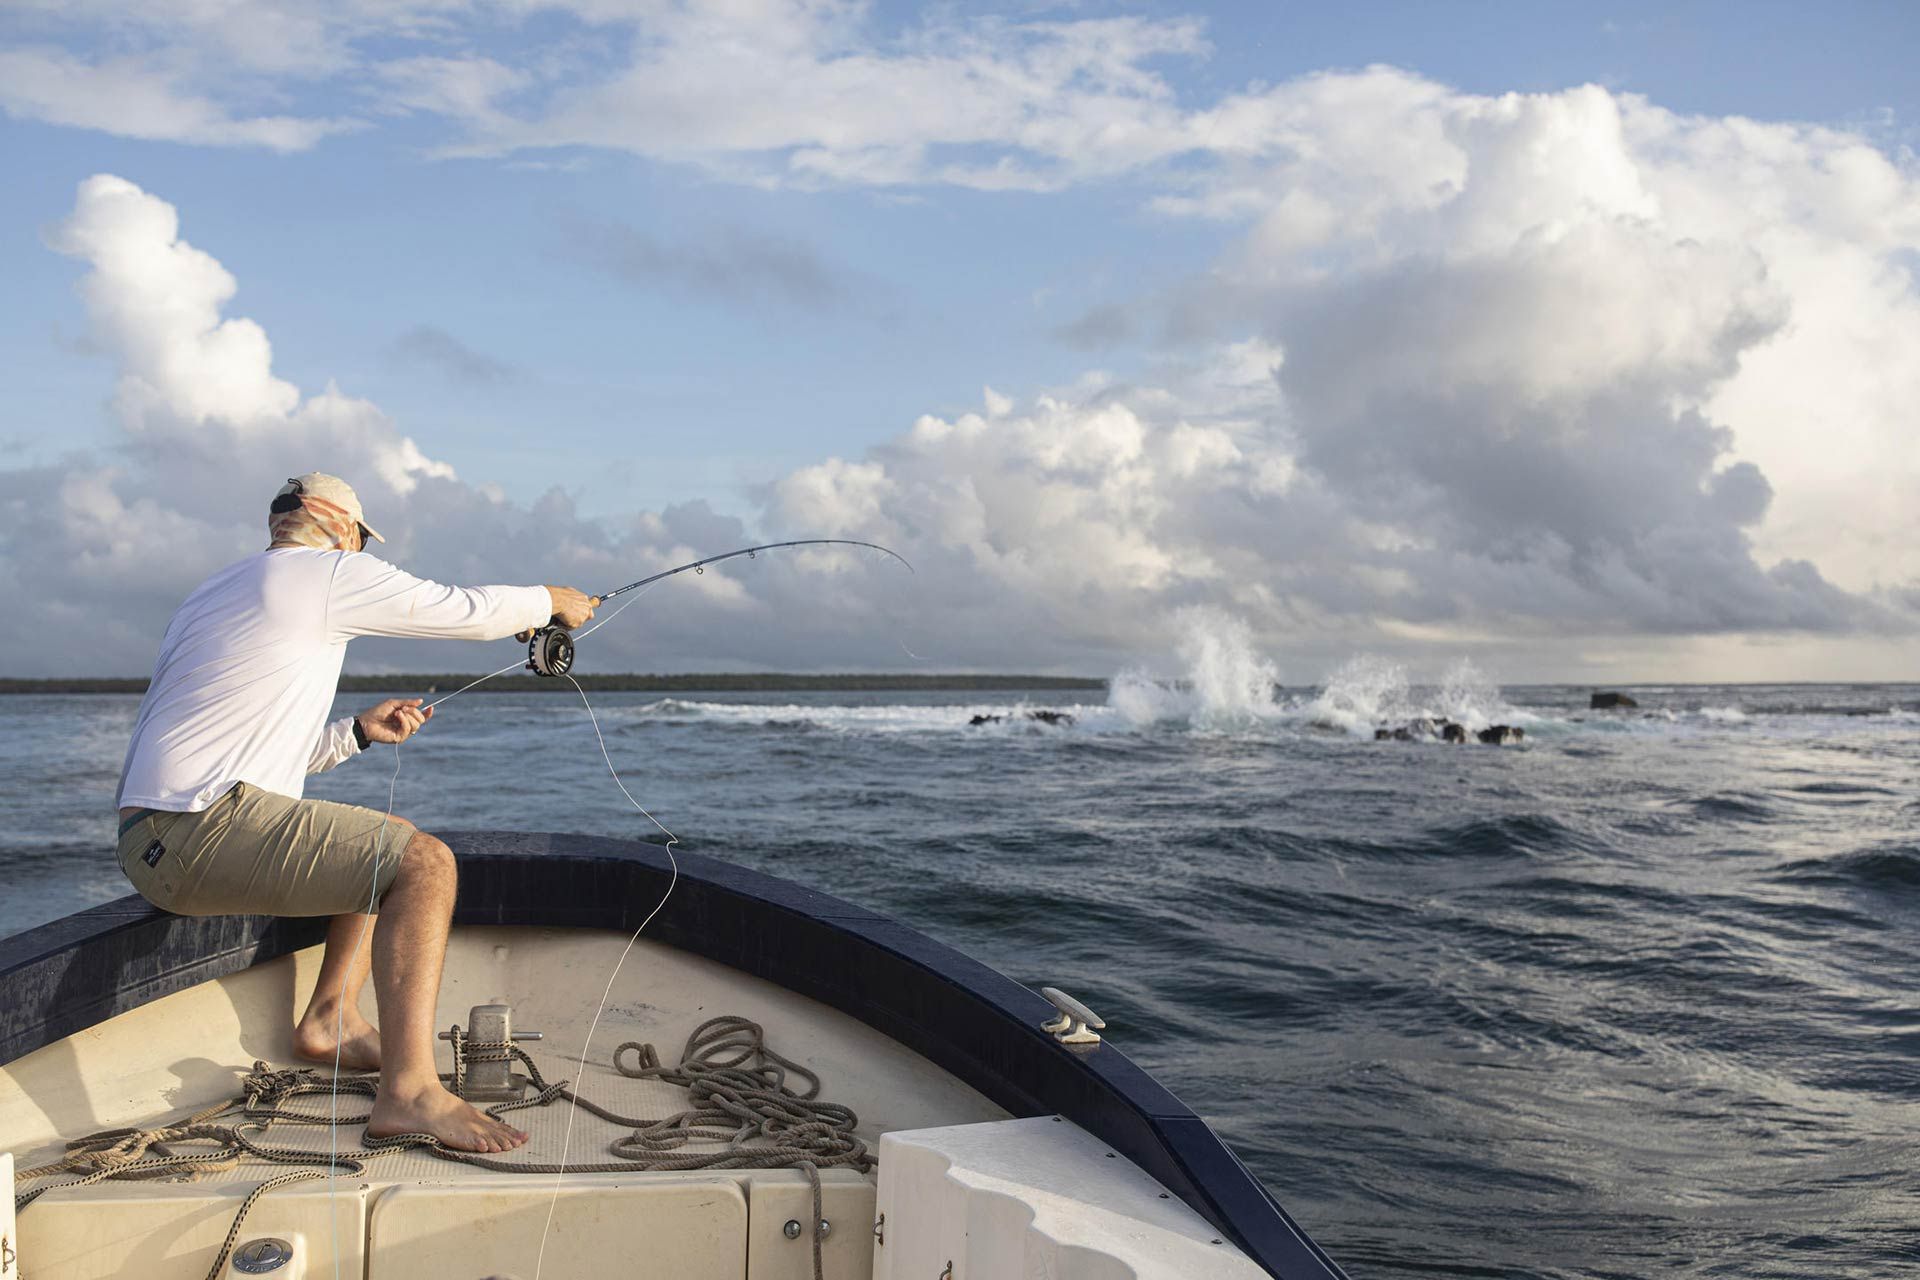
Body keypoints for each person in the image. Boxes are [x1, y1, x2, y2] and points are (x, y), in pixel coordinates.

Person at [113, 472, 598, 1153]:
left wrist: (359, 733)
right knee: (425, 864)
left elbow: (256, 753)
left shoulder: (215, 593)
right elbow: (462, 610)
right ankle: (410, 1092)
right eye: (363, 538)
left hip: (158, 833)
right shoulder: (322, 573)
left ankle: (332, 1019)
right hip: (197, 829)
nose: (363, 553)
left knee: (380, 841)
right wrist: (554, 601)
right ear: (332, 522)